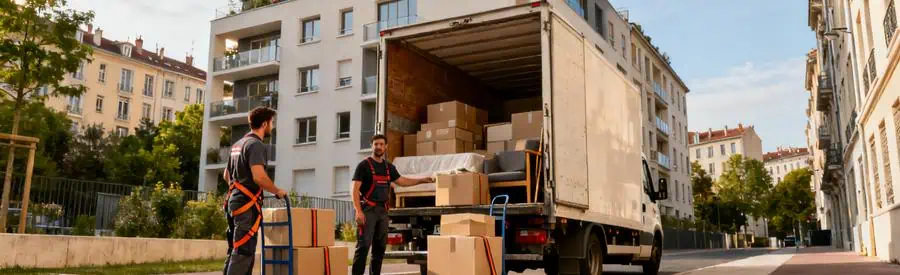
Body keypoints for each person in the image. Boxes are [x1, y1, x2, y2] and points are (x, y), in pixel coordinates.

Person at [351, 134, 434, 275]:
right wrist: (358, 211)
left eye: (381, 144)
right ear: (372, 146)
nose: (378, 147)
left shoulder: (388, 167)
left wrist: (421, 180)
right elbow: (354, 189)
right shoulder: (363, 165)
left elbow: (402, 181)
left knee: (379, 249)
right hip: (368, 211)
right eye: (376, 144)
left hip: (383, 212)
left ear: (386, 147)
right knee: (363, 246)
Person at [222, 107, 288, 275]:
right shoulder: (256, 145)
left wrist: (238, 190)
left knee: (236, 249)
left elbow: (226, 175)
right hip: (246, 206)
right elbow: (259, 176)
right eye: (272, 123)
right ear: (264, 124)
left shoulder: (238, 145)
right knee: (243, 251)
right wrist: (277, 190)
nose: (272, 126)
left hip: (234, 202)